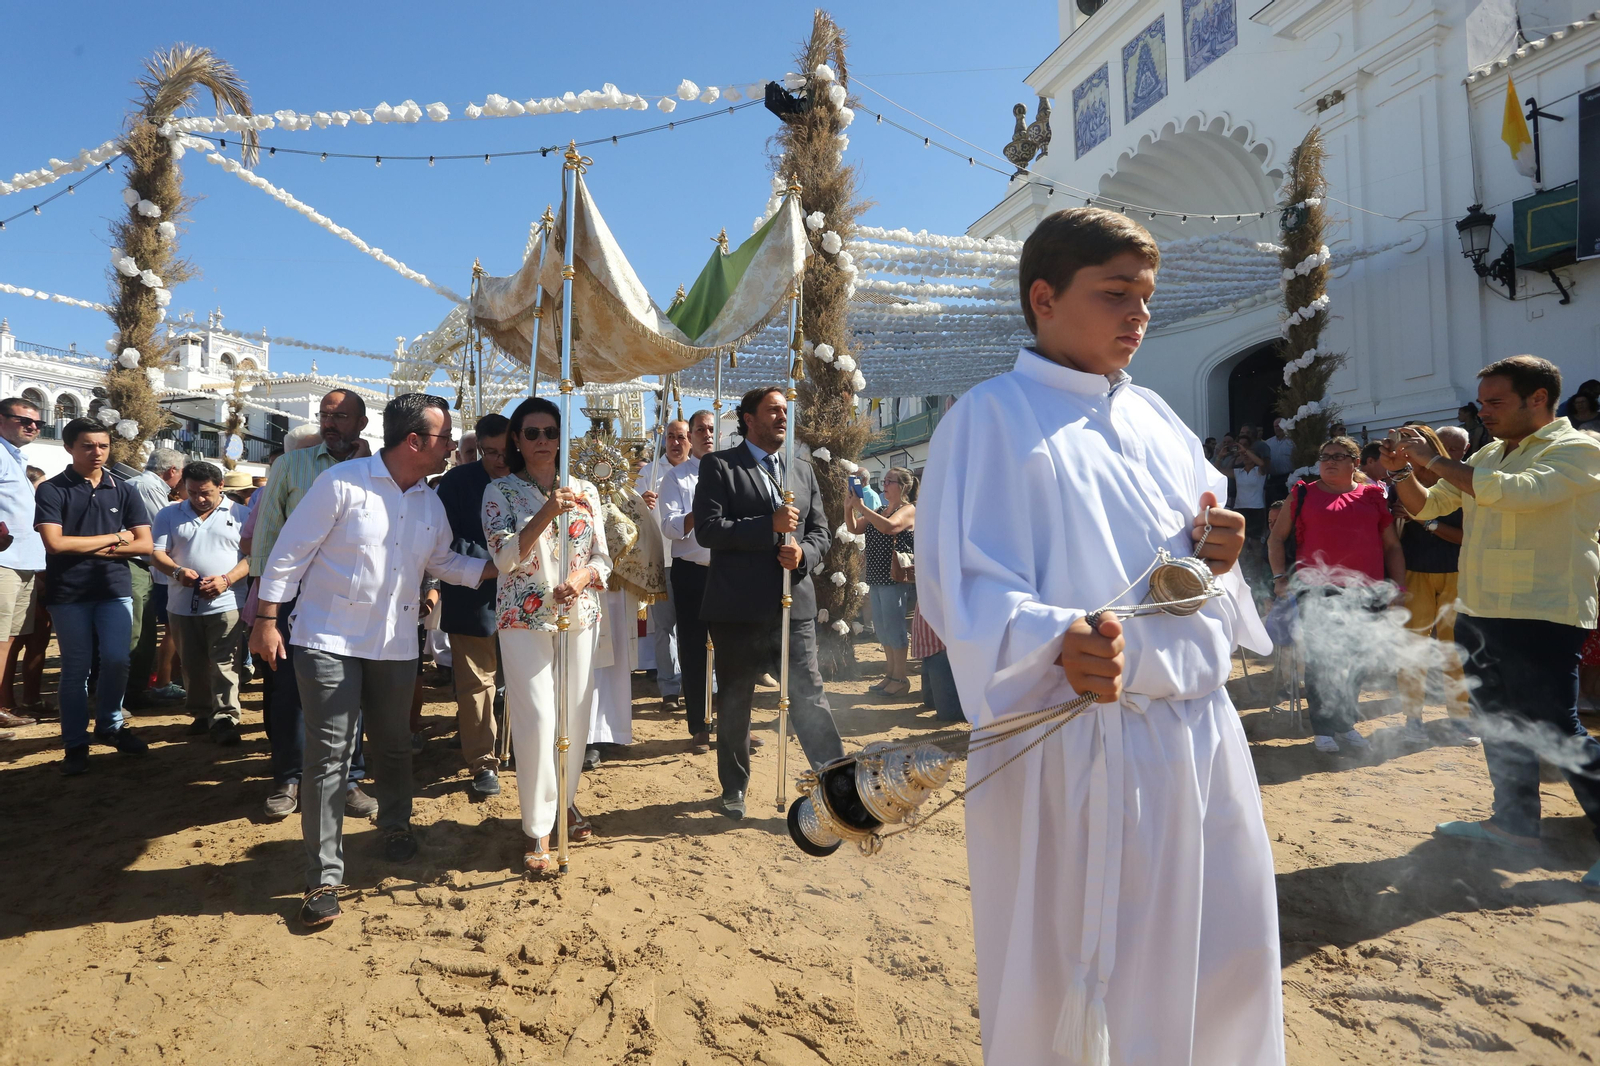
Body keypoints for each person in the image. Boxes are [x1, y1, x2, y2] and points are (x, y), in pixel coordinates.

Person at [917, 208, 1281, 1065]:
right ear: (1044, 297)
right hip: (1075, 744)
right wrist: (1055, 639)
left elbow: (1198, 560)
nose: (1138, 316)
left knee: (1224, 964)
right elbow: (959, 582)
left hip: (1198, 736)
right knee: (1077, 979)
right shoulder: (988, 419)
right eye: (1116, 294)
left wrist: (1221, 551)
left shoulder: (1158, 417)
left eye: (1146, 298)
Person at [253, 393, 496, 928]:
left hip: (395, 646)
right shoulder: (341, 484)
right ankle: (324, 876)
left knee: (393, 746)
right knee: (330, 754)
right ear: (415, 441)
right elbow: (288, 553)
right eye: (445, 435)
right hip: (327, 641)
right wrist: (267, 620)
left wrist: (502, 566)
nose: (453, 444)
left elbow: (443, 562)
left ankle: (396, 825)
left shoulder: (430, 503)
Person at [1381, 356, 1600, 890]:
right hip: (1481, 608)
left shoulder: (1582, 448)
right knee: (1497, 720)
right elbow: (1429, 506)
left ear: (1539, 399)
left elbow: (1518, 493)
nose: (1485, 411)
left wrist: (1435, 459)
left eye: (1495, 402)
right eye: (1481, 402)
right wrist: (1400, 472)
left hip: (1544, 609)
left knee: (1555, 727)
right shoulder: (1488, 452)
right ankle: (1515, 824)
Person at [693, 386, 846, 821]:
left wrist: (804, 555)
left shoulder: (801, 468)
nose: (782, 417)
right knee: (737, 701)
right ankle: (734, 788)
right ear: (748, 419)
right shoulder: (719, 466)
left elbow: (821, 531)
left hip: (792, 606)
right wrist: (768, 526)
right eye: (773, 411)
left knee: (809, 695)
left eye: (785, 410)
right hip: (737, 610)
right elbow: (708, 530)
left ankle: (833, 781)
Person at [482, 396, 610, 875]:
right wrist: (543, 515)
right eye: (531, 433)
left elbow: (603, 557)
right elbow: (503, 559)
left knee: (575, 716)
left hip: (580, 618)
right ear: (516, 439)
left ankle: (567, 802)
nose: (542, 442)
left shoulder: (586, 491)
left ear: (562, 438)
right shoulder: (499, 493)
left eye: (550, 433)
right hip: (523, 620)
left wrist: (582, 579)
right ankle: (537, 826)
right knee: (536, 720)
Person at [249, 390, 378, 821]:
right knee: (287, 690)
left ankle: (351, 778)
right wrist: (266, 612)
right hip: (292, 600)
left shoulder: (375, 472)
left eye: (342, 416)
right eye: (325, 415)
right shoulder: (291, 466)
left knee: (350, 692)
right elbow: (266, 540)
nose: (331, 423)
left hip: (352, 601)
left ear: (361, 424)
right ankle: (288, 777)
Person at [1267, 435, 1406, 754]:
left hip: (1367, 591)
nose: (1329, 460)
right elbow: (1276, 540)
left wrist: (1397, 588)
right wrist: (1278, 577)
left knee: (1357, 661)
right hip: (1317, 591)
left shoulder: (1371, 496)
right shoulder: (1302, 493)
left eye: (1338, 456)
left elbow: (1393, 547)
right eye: (1325, 455)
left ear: (1355, 463)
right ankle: (1324, 728)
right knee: (1320, 661)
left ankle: (1344, 724)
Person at [35, 417, 154, 774]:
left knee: (118, 660)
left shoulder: (124, 488)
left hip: (113, 588)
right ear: (70, 447)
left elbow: (145, 544)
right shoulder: (53, 489)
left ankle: (110, 726)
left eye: (103, 445)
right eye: (88, 445)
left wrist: (88, 546)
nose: (97, 452)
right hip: (69, 592)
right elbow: (55, 544)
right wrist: (116, 538)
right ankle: (75, 743)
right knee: (77, 669)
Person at [434, 412, 511, 797]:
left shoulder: (529, 478)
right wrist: (500, 562)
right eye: (491, 452)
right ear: (478, 448)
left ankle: (519, 746)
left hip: (525, 600)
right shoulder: (457, 483)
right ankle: (483, 762)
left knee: (522, 680)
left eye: (506, 450)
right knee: (476, 685)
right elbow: (441, 543)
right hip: (472, 597)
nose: (500, 459)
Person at [151, 461, 250, 745]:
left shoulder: (241, 514)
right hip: (182, 603)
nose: (199, 498)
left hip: (227, 600)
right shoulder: (169, 514)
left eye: (205, 492)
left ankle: (225, 718)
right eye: (192, 492)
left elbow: (253, 557)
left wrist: (227, 580)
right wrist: (177, 572)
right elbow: (157, 553)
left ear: (221, 487)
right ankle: (201, 712)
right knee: (192, 664)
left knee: (224, 662)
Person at [1391, 425, 1475, 747]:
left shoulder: (1466, 481)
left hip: (1457, 574)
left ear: (1464, 452)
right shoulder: (1403, 481)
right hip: (1415, 573)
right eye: (1445, 448)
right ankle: (1413, 719)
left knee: (1456, 652)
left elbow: (1466, 536)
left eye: (1455, 450)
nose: (1450, 454)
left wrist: (1425, 521)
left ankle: (1461, 720)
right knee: (1413, 649)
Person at [660, 408, 718, 751]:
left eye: (712, 429)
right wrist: (700, 511)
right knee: (694, 649)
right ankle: (699, 725)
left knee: (733, 651)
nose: (707, 434)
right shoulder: (676, 478)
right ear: (690, 436)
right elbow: (669, 527)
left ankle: (734, 723)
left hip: (728, 572)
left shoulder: (735, 474)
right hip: (691, 573)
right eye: (700, 430)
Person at [846, 466, 917, 697]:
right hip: (877, 576)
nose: (884, 485)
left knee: (895, 629)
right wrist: (850, 508)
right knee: (884, 630)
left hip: (894, 577)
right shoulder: (880, 509)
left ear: (903, 486)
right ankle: (890, 675)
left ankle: (901, 678)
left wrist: (861, 507)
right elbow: (854, 528)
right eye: (884, 481)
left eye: (889, 481)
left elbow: (890, 527)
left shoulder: (908, 510)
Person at [125, 448, 185, 711]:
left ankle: (134, 690)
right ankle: (131, 693)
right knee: (137, 632)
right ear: (172, 470)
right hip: (134, 565)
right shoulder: (147, 487)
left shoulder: (144, 484)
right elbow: (163, 532)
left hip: (143, 567)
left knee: (144, 630)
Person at [0, 397, 46, 735]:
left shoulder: (15, 457)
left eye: (38, 423)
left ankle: (6, 705)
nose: (32, 426)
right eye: (23, 420)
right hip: (4, 561)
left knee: (11, 639)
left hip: (23, 563)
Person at [640, 420, 689, 709]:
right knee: (664, 628)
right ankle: (669, 689)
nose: (675, 442)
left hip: (694, 560)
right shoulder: (649, 473)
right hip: (663, 562)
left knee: (695, 628)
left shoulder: (700, 471)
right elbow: (629, 513)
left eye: (681, 437)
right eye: (670, 436)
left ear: (690, 441)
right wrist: (640, 503)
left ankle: (702, 684)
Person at [1264, 419, 1296, 503]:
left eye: (1280, 426)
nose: (1278, 428)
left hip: (1288, 478)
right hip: (1273, 480)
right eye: (1276, 426)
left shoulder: (1292, 442)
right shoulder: (1268, 443)